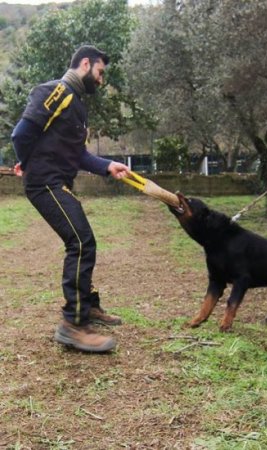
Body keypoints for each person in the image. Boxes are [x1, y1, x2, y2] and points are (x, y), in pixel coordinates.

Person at [11, 45, 131, 353]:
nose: (102, 80)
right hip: (45, 182)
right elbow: (21, 134)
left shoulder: (77, 105)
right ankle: (73, 325)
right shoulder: (56, 91)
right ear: (86, 64)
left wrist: (107, 166)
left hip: (57, 182)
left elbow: (77, 154)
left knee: (82, 240)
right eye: (101, 72)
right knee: (80, 242)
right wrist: (30, 164)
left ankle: (87, 306)